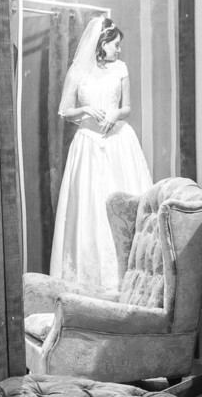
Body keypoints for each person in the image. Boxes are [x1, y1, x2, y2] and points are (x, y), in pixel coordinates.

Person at [48, 16, 152, 291]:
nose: (119, 49)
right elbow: (65, 111)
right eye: (115, 44)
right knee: (89, 206)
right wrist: (85, 109)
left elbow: (127, 106)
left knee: (122, 198)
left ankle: (126, 275)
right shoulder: (79, 71)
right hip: (88, 144)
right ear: (102, 43)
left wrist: (116, 114)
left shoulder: (121, 68)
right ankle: (88, 278)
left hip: (119, 142)